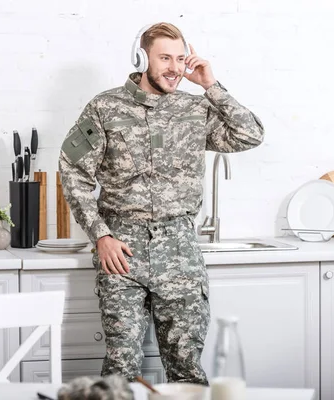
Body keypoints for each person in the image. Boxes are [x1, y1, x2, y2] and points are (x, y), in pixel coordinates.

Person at [58, 22, 264, 385]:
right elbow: (74, 172)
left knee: (187, 372)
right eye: (165, 57)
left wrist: (210, 85)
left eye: (180, 58)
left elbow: (250, 134)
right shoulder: (105, 108)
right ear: (142, 59)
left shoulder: (195, 110)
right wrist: (101, 235)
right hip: (122, 251)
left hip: (180, 250)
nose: (174, 67)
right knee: (120, 371)